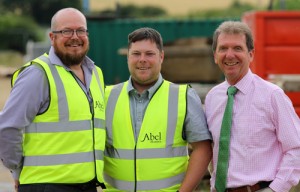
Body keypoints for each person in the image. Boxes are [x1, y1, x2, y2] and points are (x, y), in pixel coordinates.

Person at [0, 8, 106, 192]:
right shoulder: (37, 74)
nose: (75, 36)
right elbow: (8, 127)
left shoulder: (96, 74)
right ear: (52, 37)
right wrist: (17, 170)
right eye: (66, 31)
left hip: (87, 185)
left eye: (81, 30)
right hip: (45, 186)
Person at [103, 27, 212, 192]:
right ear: (128, 57)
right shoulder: (106, 97)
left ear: (161, 57)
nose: (142, 59)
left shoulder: (183, 96)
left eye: (149, 54)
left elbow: (203, 149)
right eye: (136, 54)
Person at [205, 20, 300, 192]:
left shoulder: (272, 96)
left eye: (237, 48)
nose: (230, 55)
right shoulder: (212, 98)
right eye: (223, 48)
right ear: (215, 55)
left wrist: (276, 189)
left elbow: (296, 148)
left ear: (251, 54)